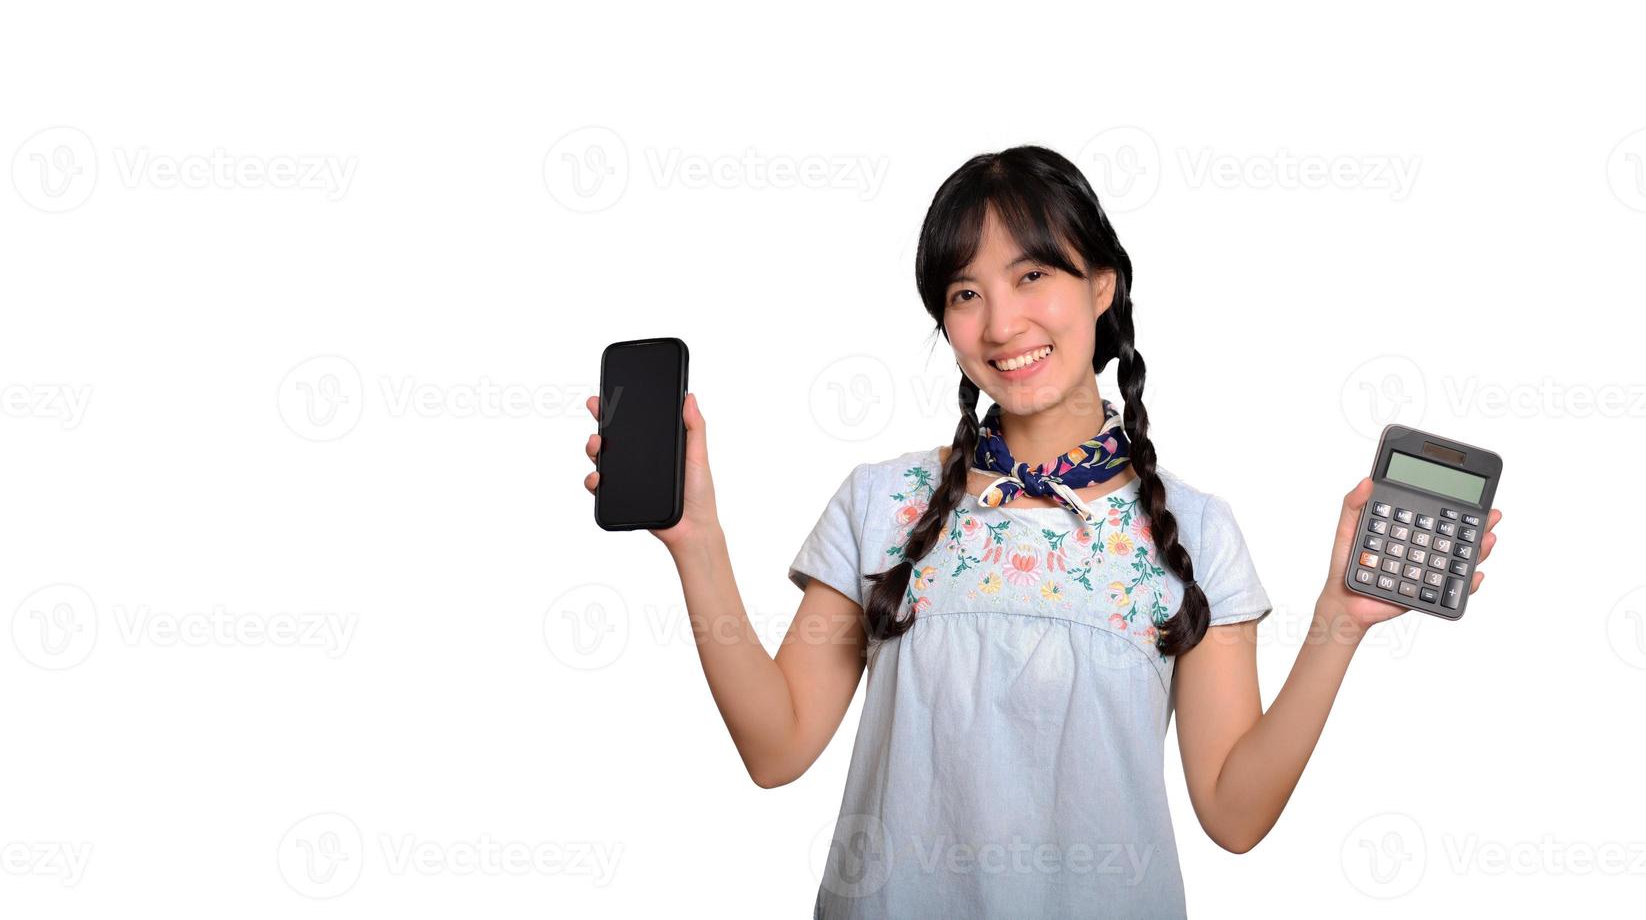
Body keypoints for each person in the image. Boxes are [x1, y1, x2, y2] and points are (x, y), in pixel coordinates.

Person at [581, 144, 1502, 918]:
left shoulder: (1198, 532)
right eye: (965, 292)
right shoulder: (882, 502)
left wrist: (1339, 618)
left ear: (1102, 286)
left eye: (1032, 275)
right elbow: (776, 747)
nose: (1001, 321)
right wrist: (696, 541)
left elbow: (1234, 811)